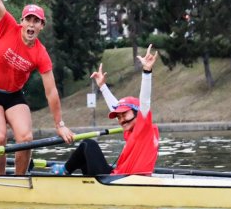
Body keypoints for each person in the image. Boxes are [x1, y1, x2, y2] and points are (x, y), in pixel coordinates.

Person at [0, 0, 74, 176]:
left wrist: (60, 125)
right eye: (28, 19)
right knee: (0, 137)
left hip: (13, 95)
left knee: (26, 138)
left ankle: (20, 181)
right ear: (21, 21)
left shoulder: (41, 53)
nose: (31, 24)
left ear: (42, 26)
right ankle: (0, 180)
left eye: (36, 21)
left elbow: (51, 92)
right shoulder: (7, 26)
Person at [55, 44, 159, 176]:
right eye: (119, 117)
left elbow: (145, 100)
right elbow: (116, 107)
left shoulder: (143, 127)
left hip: (121, 183)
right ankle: (65, 173)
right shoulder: (131, 130)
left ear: (138, 113)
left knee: (88, 144)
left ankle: (63, 172)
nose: (121, 120)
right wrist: (102, 86)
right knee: (83, 157)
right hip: (118, 178)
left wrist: (147, 71)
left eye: (124, 115)